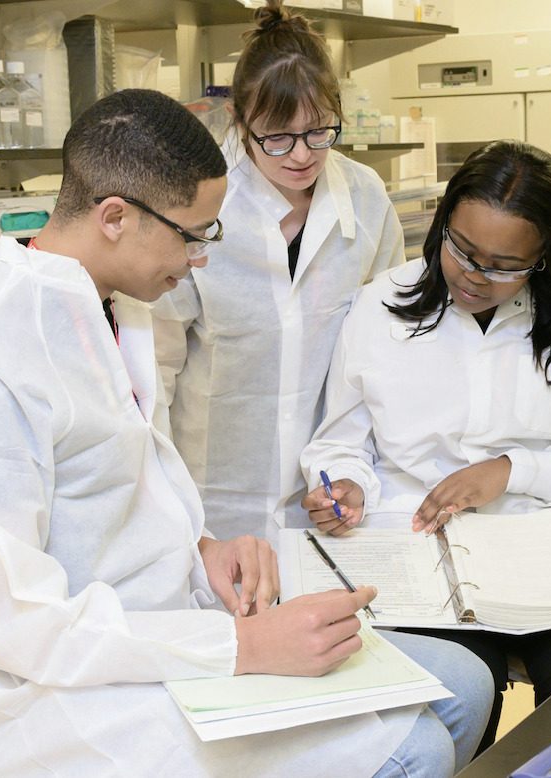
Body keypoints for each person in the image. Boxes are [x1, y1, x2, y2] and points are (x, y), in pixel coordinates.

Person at [0, 89, 491, 778]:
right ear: (115, 217)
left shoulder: (114, 306)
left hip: (164, 623)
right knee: (418, 749)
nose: (201, 258)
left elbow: (114, 496)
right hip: (59, 688)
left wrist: (204, 550)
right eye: (192, 234)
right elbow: (16, 623)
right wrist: (244, 647)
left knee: (463, 684)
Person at [300, 140, 551, 750]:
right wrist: (344, 485)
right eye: (462, 250)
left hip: (550, 555)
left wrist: (513, 471)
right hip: (422, 559)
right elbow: (340, 442)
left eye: (503, 265)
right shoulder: (379, 305)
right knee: (456, 706)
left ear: (545, 257)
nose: (473, 275)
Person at [151, 0, 405, 547]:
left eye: (318, 132)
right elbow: (156, 367)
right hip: (211, 500)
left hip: (329, 493)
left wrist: (355, 472)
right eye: (277, 137)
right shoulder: (197, 205)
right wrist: (159, 500)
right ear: (239, 120)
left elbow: (384, 351)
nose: (301, 156)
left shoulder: (365, 198)